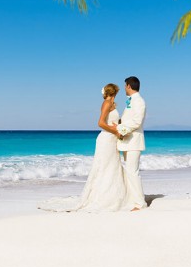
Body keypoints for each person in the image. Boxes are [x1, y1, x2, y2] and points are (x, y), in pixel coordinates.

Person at [38, 83, 127, 212]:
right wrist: (115, 131)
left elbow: (111, 122)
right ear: (114, 92)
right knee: (104, 167)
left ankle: (113, 196)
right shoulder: (107, 103)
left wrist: (120, 126)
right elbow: (100, 123)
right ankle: (102, 198)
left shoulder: (112, 104)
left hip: (112, 139)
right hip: (106, 139)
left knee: (112, 166)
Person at [115, 76, 148, 211]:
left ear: (129, 86)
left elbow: (137, 122)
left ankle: (140, 203)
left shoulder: (139, 101)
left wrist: (123, 131)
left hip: (134, 141)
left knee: (133, 171)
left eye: (125, 86)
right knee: (129, 171)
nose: (124, 88)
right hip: (127, 142)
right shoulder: (130, 101)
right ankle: (134, 199)